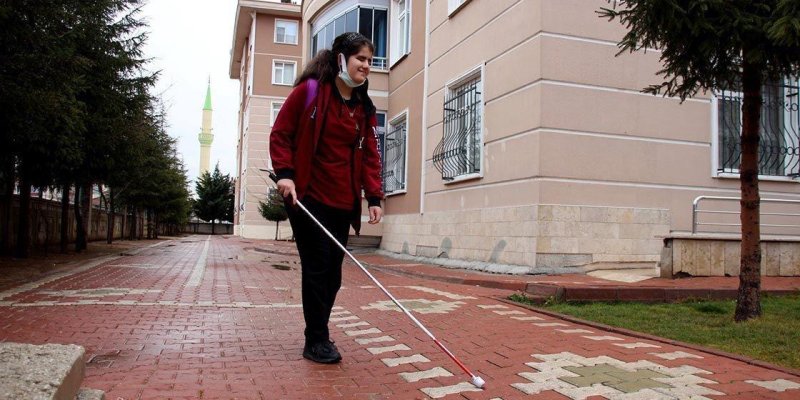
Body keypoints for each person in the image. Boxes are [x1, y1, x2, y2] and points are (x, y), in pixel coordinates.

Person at [269, 32, 384, 364]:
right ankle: (316, 339)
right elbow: (280, 133)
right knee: (318, 268)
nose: (366, 65)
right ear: (341, 60)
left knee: (333, 273)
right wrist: (285, 173)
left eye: (370, 60)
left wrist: (373, 196)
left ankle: (319, 331)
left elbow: (371, 154)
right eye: (360, 58)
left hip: (343, 201)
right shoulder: (310, 92)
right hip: (308, 197)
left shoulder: (363, 107)